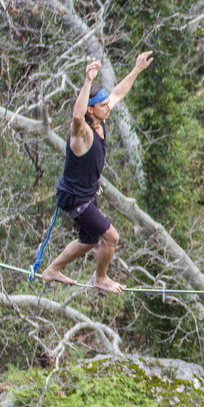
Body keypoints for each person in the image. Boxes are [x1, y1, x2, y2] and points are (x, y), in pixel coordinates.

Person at [39, 51, 153, 293]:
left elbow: (118, 93)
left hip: (87, 194)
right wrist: (88, 80)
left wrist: (137, 69)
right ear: (91, 110)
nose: (107, 107)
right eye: (102, 106)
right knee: (111, 238)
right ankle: (100, 278)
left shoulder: (101, 118)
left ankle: (52, 270)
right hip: (75, 198)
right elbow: (76, 117)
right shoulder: (82, 135)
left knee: (89, 240)